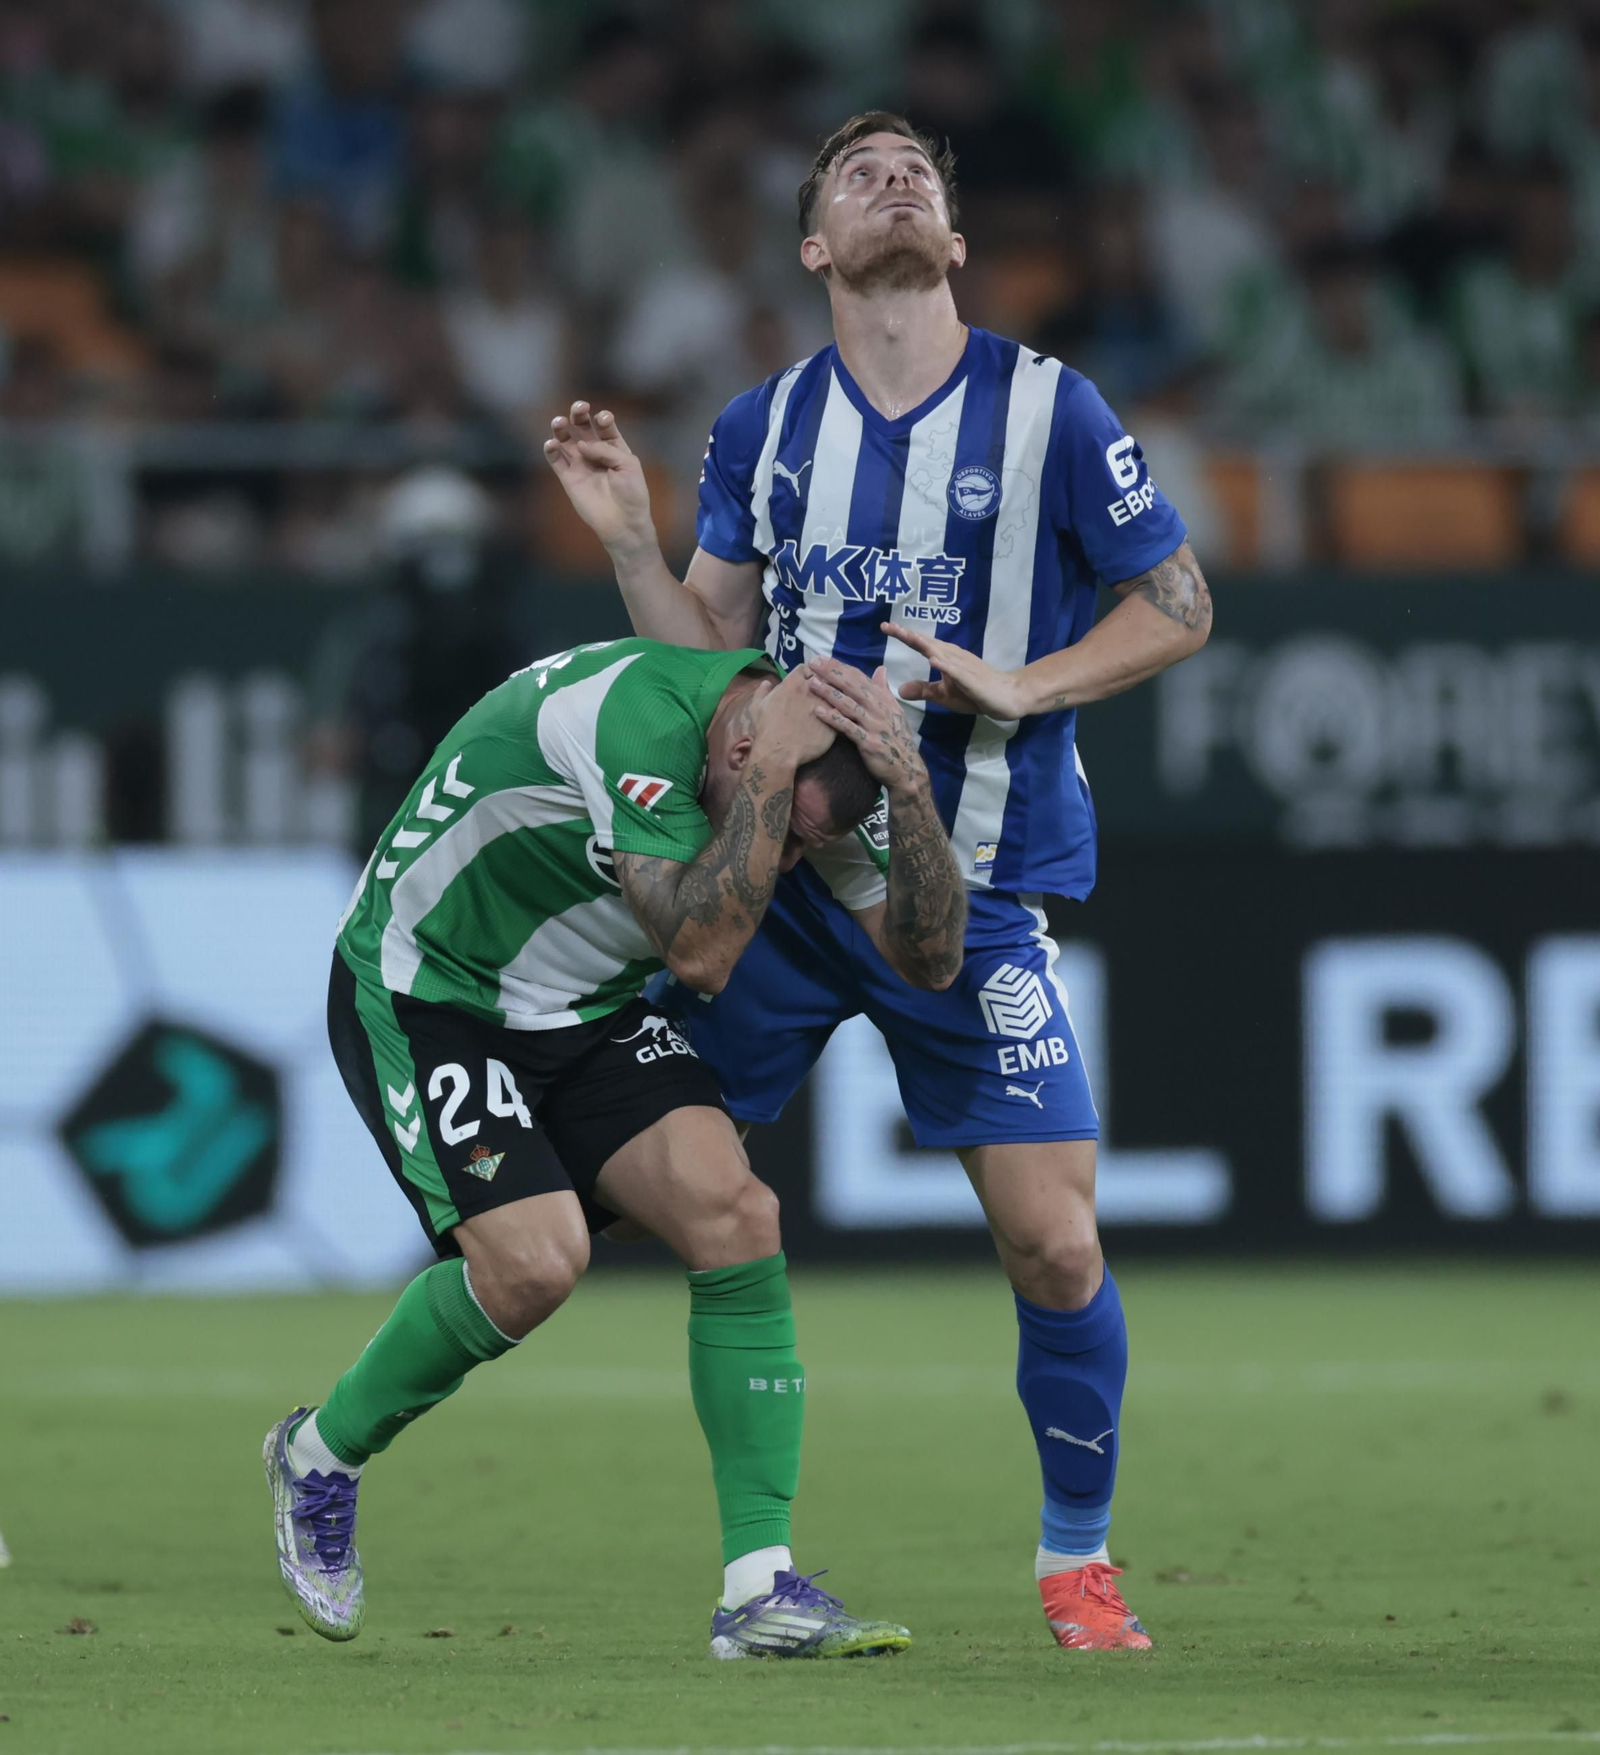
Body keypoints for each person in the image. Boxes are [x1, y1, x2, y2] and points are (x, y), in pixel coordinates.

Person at [543, 112, 1214, 1652]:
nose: (895, 179)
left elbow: (1178, 602)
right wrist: (637, 547)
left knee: (1054, 1240)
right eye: (860, 174)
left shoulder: (1052, 409)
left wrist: (1026, 682)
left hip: (963, 884)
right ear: (813, 246)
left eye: (919, 170)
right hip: (777, 882)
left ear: (958, 240)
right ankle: (338, 1445)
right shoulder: (761, 426)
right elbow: (704, 657)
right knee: (573, 1212)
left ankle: (1074, 1556)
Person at [264, 634, 966, 1655]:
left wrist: (908, 795)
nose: (793, 856)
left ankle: (759, 1590)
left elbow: (932, 960)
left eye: (808, 843)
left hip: (580, 1011)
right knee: (537, 1266)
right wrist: (775, 774)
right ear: (741, 753)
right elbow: (700, 954)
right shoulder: (629, 721)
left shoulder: (810, 780)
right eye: (788, 828)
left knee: (738, 1214)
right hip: (432, 989)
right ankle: (319, 1456)